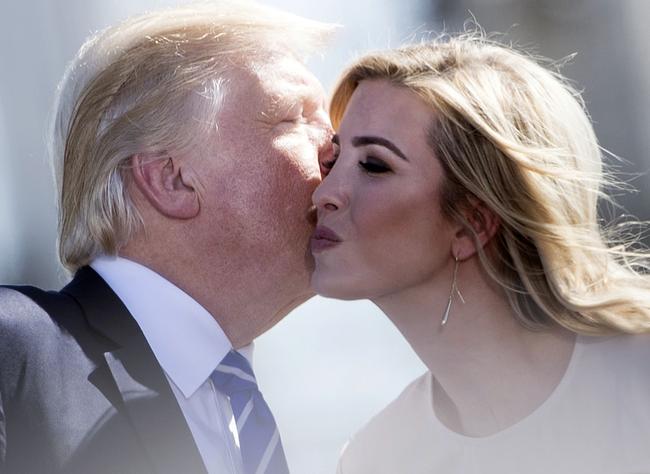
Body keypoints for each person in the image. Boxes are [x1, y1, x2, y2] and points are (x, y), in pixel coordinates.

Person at [0, 3, 334, 473]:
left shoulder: (240, 409)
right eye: (294, 118)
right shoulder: (12, 350)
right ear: (171, 179)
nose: (337, 145)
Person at [310, 35, 650, 473]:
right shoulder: (377, 458)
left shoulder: (638, 380)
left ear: (473, 222)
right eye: (332, 161)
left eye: (374, 165)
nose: (324, 194)